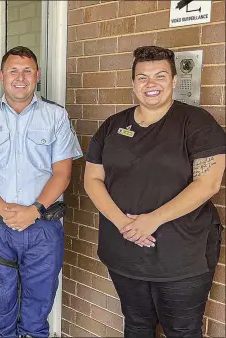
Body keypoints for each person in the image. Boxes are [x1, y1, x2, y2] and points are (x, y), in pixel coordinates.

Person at [84, 45, 225, 338]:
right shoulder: (113, 125)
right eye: (143, 78)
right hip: (124, 252)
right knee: (136, 325)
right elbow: (92, 179)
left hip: (181, 257)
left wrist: (152, 220)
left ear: (174, 81)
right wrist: (125, 224)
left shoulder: (197, 123)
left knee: (182, 331)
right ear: (133, 83)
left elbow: (208, 183)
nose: (151, 85)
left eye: (160, 76)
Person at [0, 46, 82, 337]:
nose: (20, 77)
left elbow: (63, 173)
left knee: (37, 310)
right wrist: (4, 209)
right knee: (2, 307)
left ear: (37, 75)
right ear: (2, 76)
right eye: (14, 70)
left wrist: (33, 211)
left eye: (27, 71)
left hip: (43, 228)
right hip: (0, 229)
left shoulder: (55, 117)